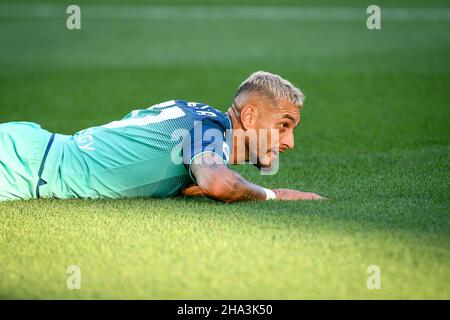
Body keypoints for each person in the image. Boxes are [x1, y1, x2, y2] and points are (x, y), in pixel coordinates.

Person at [0, 71, 325, 202]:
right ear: (250, 115)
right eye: (283, 125)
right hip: (22, 166)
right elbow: (216, 182)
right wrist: (272, 194)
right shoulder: (211, 130)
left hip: (30, 150)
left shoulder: (202, 120)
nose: (289, 142)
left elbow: (195, 180)